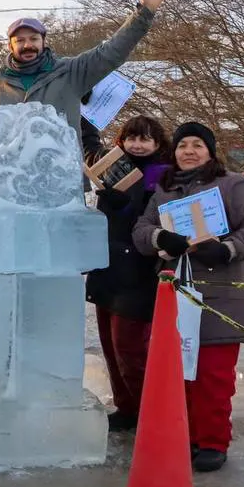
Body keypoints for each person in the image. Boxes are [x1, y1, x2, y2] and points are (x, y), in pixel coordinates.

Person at [132, 121, 244, 472]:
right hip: (175, 297)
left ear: (210, 151)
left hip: (218, 298)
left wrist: (225, 249)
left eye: (197, 145)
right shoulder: (163, 190)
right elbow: (141, 230)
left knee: (214, 376)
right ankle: (185, 436)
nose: (188, 151)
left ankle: (212, 441)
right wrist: (161, 238)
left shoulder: (233, 185)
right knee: (179, 375)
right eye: (182, 146)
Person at [0, 0, 174, 129]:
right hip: (9, 183)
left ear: (43, 41)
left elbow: (112, 52)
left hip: (60, 181)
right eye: (20, 40)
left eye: (34, 38)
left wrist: (144, 12)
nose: (27, 45)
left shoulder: (70, 73)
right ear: (11, 46)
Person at [85, 116, 174, 432]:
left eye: (145, 139)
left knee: (130, 349)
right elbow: (88, 143)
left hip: (138, 272)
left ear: (158, 144)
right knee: (109, 346)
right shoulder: (112, 167)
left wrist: (125, 206)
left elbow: (153, 221)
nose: (137, 144)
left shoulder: (163, 176)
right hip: (107, 267)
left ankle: (148, 410)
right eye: (131, 138)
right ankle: (126, 407)